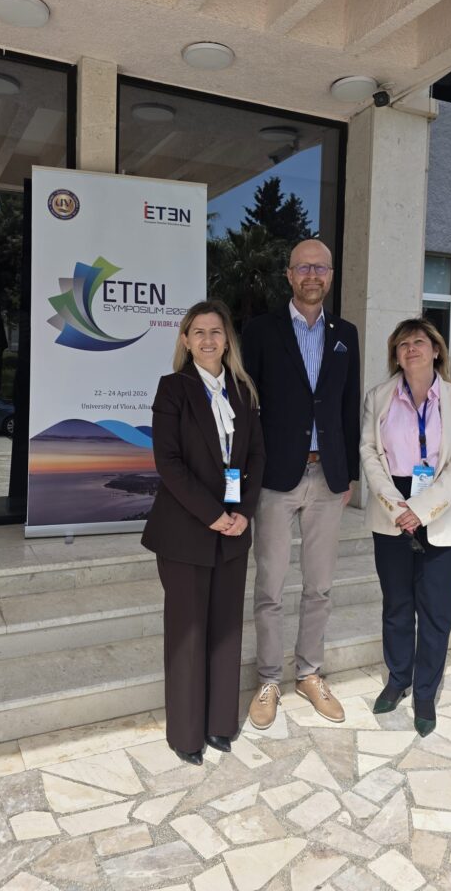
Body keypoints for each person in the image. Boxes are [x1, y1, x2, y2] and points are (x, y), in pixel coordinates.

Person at [242, 239, 360, 729]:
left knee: (320, 586)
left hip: (327, 477)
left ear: (330, 276)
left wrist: (349, 473)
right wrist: (246, 474)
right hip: (275, 478)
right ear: (289, 275)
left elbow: (348, 405)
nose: (313, 275)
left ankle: (309, 673)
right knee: (270, 585)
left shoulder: (346, 334)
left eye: (321, 267)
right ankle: (270, 678)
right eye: (304, 267)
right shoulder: (260, 330)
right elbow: (247, 405)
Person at [141, 299, 265, 766]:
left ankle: (219, 725)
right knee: (188, 633)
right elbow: (168, 462)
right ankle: (186, 734)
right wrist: (212, 513)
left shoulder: (243, 390)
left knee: (226, 629)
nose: (208, 340)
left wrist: (244, 513)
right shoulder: (173, 388)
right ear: (186, 340)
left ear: (227, 340)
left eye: (216, 331)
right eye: (199, 332)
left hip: (234, 530)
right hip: (186, 530)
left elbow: (257, 457)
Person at [360, 317, 451, 737]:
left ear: (436, 350)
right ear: (395, 355)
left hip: (442, 510)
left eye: (419, 342)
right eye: (403, 344)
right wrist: (397, 506)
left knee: (435, 610)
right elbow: (369, 452)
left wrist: (421, 509)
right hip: (391, 508)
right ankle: (398, 679)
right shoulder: (378, 397)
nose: (411, 349)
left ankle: (426, 691)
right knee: (396, 604)